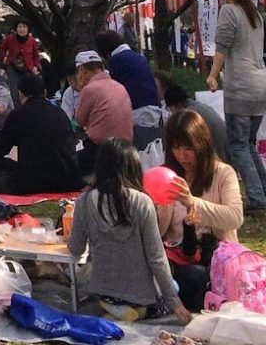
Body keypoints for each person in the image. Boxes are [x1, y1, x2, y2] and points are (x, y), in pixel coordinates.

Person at [65, 139, 188, 324]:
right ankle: (137, 311)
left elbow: (75, 249)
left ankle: (116, 310)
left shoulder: (84, 201)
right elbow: (156, 258)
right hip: (141, 294)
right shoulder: (142, 202)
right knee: (173, 288)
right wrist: (175, 303)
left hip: (103, 291)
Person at [155, 108, 244, 312]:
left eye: (188, 148)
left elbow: (235, 217)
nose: (182, 156)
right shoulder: (167, 175)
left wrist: (191, 202)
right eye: (176, 148)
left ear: (201, 145)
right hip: (175, 255)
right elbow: (157, 231)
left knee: (194, 278)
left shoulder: (223, 174)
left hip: (212, 258)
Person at [209, 0, 266, 212]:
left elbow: (222, 48)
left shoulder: (229, 11)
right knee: (248, 143)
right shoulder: (255, 14)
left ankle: (257, 198)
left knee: (238, 145)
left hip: (241, 85)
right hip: (261, 84)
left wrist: (213, 76)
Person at [0, 72, 81, 194]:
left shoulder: (18, 115)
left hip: (32, 181)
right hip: (64, 179)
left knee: (0, 163)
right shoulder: (59, 113)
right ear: (45, 92)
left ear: (20, 93)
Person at [96, 30, 163, 152]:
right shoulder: (137, 56)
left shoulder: (116, 60)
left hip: (137, 110)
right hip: (154, 107)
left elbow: (114, 92)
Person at [73, 50, 133, 173]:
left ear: (82, 70)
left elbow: (79, 120)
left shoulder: (90, 89)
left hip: (100, 148)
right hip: (126, 147)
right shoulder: (119, 86)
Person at [162, 80, 228, 163]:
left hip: (217, 147)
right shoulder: (196, 105)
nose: (171, 112)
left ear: (177, 105)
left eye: (170, 108)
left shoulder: (189, 115)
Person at [0, 19, 41, 101]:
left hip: (27, 68)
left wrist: (35, 66)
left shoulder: (32, 41)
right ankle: (17, 107)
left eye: (24, 27)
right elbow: (2, 48)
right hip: (12, 67)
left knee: (27, 88)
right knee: (15, 89)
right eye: (20, 27)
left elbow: (36, 55)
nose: (22, 29)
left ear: (28, 29)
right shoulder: (10, 39)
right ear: (16, 29)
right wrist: (4, 57)